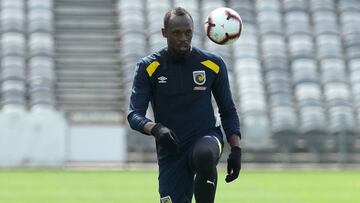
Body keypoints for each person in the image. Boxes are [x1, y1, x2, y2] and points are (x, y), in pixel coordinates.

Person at [127, 7, 242, 203]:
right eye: (176, 33)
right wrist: (156, 129)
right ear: (164, 33)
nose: (183, 38)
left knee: (204, 155)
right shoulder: (149, 67)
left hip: (206, 137)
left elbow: (228, 111)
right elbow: (134, 115)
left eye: (188, 32)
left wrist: (236, 149)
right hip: (171, 151)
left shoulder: (213, 64)